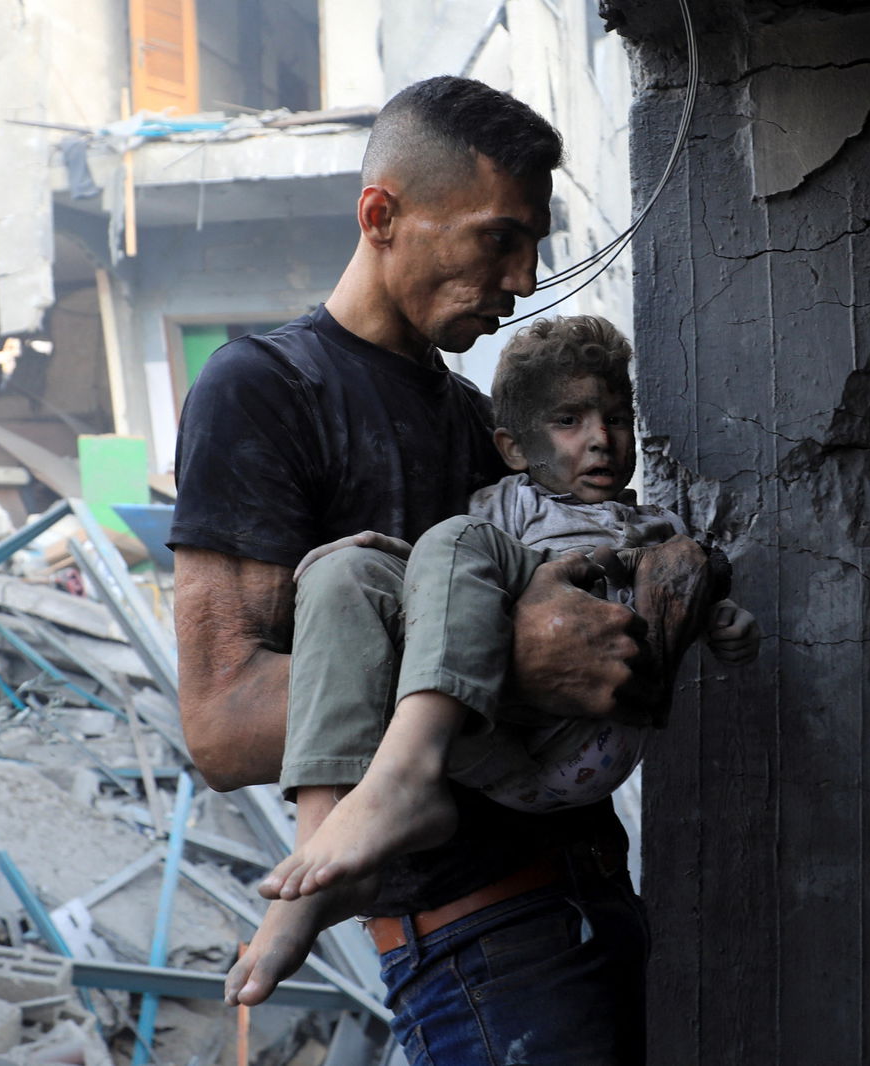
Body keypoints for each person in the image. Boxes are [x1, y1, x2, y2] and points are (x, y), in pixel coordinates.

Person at [170, 78, 666, 1065]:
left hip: (591, 894)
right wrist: (515, 663)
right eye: (498, 238)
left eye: (534, 244)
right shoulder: (265, 390)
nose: (523, 279)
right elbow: (222, 721)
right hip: (474, 936)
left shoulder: (482, 423)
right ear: (381, 215)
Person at [231, 314, 759, 1006]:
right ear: (512, 447)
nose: (601, 439)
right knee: (346, 574)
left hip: (585, 745)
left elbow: (682, 603)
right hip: (494, 753)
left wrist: (725, 623)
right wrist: (370, 559)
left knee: (453, 541)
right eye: (570, 420)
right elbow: (445, 595)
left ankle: (402, 783)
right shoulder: (502, 511)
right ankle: (331, 852)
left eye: (617, 417)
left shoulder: (652, 528)